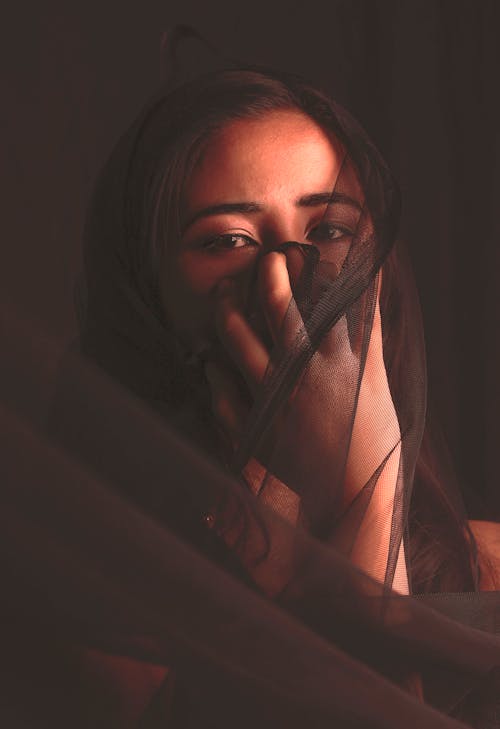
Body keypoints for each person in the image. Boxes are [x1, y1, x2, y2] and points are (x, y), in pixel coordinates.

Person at [2, 61, 500, 728]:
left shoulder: (487, 565)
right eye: (228, 239)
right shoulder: (102, 631)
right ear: (145, 298)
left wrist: (363, 484)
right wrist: (358, 498)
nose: (286, 276)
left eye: (327, 232)